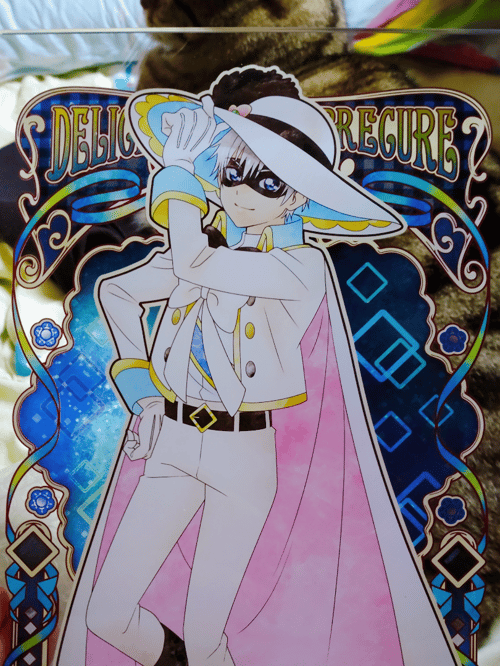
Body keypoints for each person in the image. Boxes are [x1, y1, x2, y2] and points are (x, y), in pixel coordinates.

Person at [56, 66, 459, 666]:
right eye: (231, 172)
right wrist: (143, 394)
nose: (241, 191)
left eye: (267, 181)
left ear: (296, 197)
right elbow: (118, 294)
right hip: (172, 440)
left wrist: (178, 175)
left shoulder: (301, 266)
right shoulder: (208, 245)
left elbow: (194, 264)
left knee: (208, 636)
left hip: (241, 457)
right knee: (106, 613)